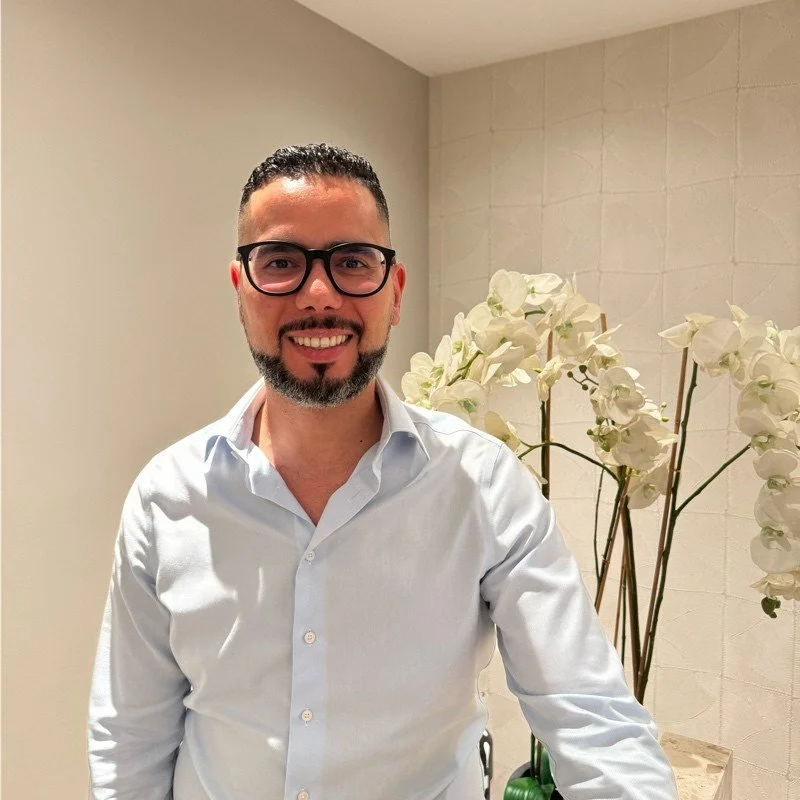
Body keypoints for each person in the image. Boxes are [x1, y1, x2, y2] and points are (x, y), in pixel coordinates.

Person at [87, 143, 679, 800]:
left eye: (352, 262)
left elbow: (591, 718)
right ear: (241, 289)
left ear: (394, 292)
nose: (319, 294)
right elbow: (130, 738)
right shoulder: (167, 498)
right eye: (281, 262)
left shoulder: (482, 486)